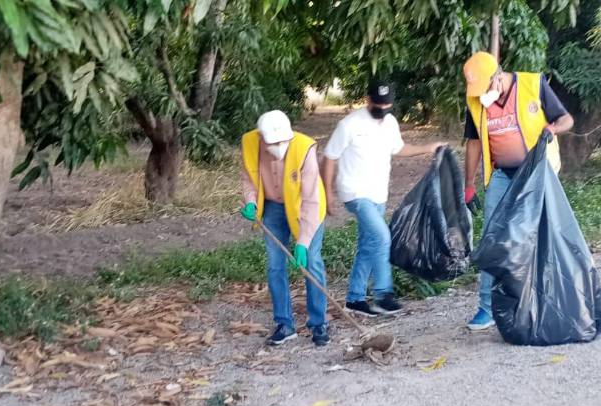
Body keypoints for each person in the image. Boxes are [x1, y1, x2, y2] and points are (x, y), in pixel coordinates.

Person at [462, 51, 574, 331]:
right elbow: (474, 143)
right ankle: (486, 308)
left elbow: (566, 119)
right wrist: (469, 184)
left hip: (536, 174)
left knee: (537, 235)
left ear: (498, 76)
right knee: (493, 237)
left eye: (485, 87)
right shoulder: (475, 102)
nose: (482, 94)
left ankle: (543, 299)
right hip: (501, 175)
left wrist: (552, 129)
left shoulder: (532, 84)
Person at [322, 81, 446, 317]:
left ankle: (355, 299)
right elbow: (329, 157)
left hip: (378, 193)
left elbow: (398, 148)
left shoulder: (390, 123)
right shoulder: (349, 125)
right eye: (377, 104)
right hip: (354, 192)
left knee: (369, 244)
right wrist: (327, 193)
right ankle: (383, 295)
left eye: (386, 105)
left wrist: (428, 147)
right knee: (381, 237)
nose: (382, 109)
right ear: (368, 100)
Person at [239, 110, 330, 347]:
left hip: (305, 210)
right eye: (274, 143)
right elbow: (249, 179)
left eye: (283, 142)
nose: (280, 147)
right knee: (275, 265)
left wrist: (303, 241)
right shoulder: (251, 143)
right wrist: (251, 202)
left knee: (312, 262)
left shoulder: (304, 148)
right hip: (272, 208)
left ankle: (319, 322)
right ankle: (284, 324)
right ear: (262, 138)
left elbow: (311, 199)